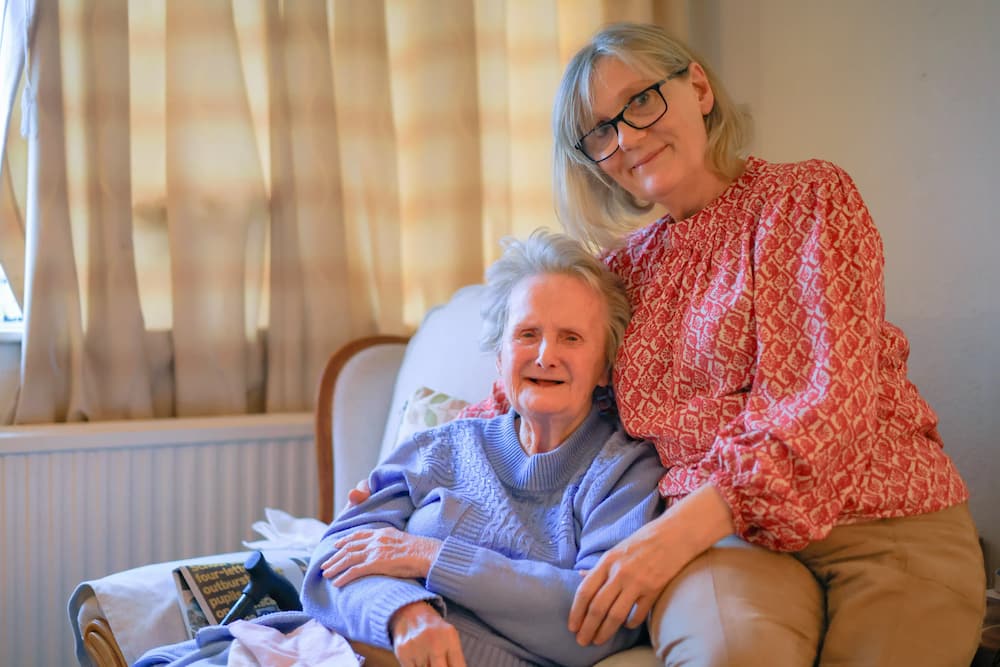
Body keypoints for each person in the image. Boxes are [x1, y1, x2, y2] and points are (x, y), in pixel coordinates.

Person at [351, 22, 986, 667]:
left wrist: (670, 536)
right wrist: (400, 480)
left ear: (700, 88)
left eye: (641, 100)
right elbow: (523, 392)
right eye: (600, 131)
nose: (627, 137)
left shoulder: (806, 200)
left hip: (884, 516)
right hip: (729, 548)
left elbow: (830, 400)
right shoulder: (619, 272)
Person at [301, 229, 665, 667]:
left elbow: (599, 622)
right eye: (528, 334)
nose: (546, 355)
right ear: (499, 358)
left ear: (605, 368)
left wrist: (431, 557)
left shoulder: (624, 474)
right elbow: (331, 561)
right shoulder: (442, 446)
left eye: (571, 338)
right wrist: (404, 613)